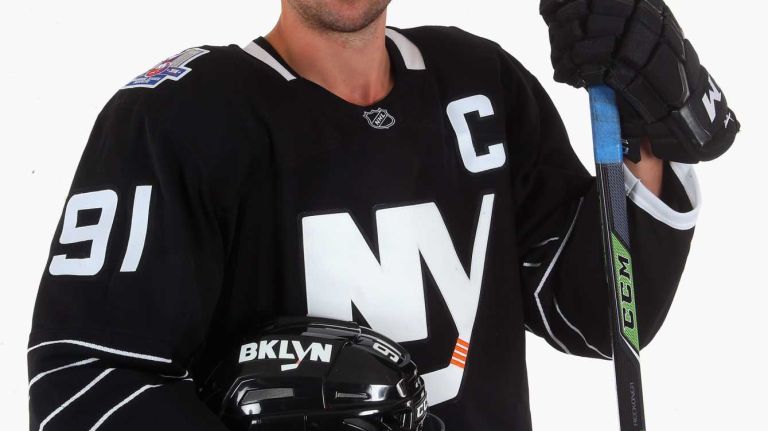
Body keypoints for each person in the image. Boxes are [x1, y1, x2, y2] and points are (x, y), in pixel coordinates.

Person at [27, 0, 738, 430]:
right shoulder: (177, 118)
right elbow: (82, 379)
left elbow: (595, 311)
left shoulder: (478, 85)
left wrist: (650, 116)